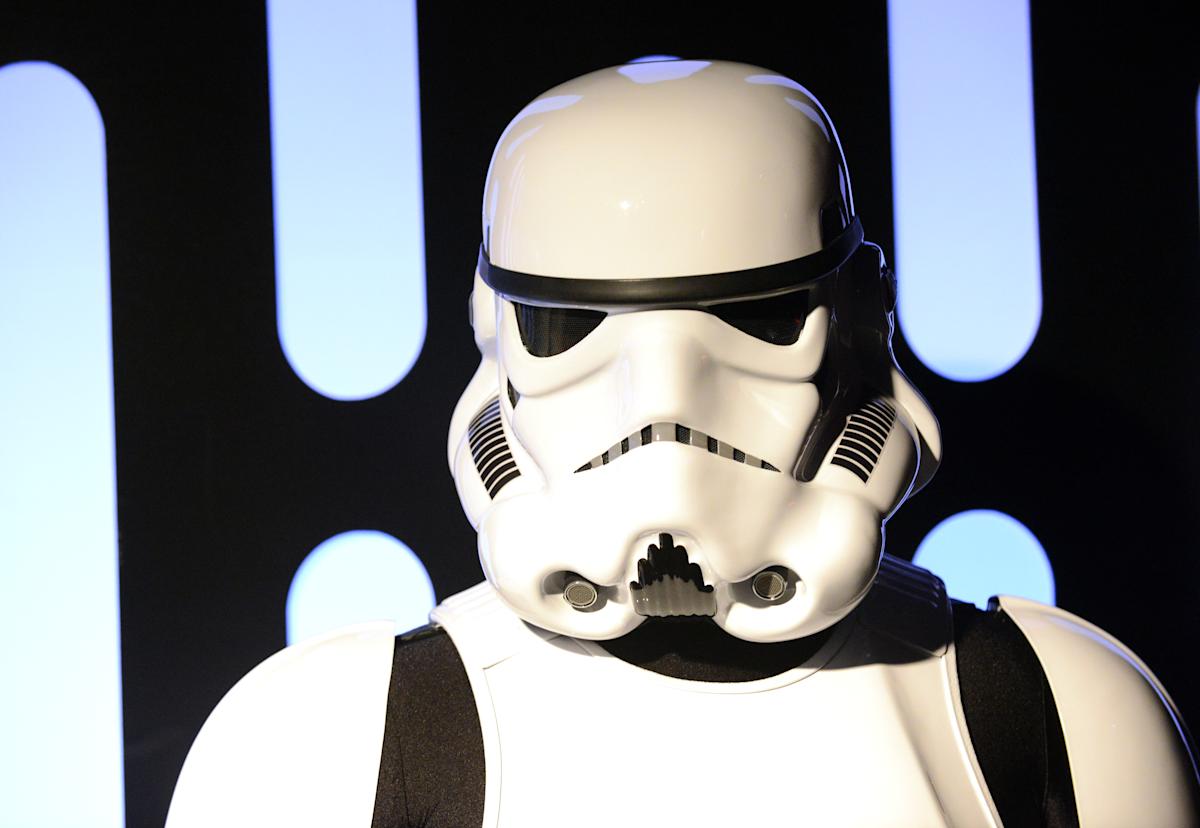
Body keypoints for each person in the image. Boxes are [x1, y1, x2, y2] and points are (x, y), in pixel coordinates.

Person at [166, 60, 1199, 827]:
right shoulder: (325, 749)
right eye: (575, 329)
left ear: (857, 323)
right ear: (497, 337)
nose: (660, 399)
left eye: (754, 318)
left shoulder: (1058, 713)